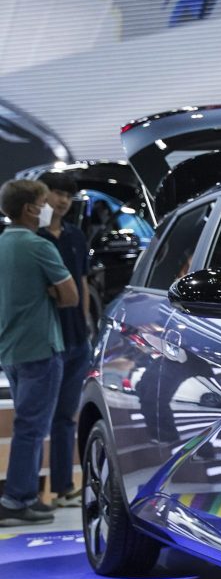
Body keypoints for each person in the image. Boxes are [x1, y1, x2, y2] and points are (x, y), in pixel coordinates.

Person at [0, 179, 79, 527]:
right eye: (45, 201)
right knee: (31, 427)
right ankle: (17, 499)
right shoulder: (38, 246)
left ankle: (27, 495)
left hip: (11, 349)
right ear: (31, 209)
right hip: (41, 347)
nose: (50, 207)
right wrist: (52, 292)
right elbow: (71, 296)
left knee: (27, 424)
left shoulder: (3, 243)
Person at [37, 172, 93, 507]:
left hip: (75, 336)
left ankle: (62, 486)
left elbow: (83, 282)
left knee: (65, 417)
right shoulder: (32, 237)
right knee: (36, 420)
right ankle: (29, 493)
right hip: (44, 338)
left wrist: (85, 325)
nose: (62, 201)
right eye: (57, 193)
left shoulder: (75, 235)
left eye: (68, 196)